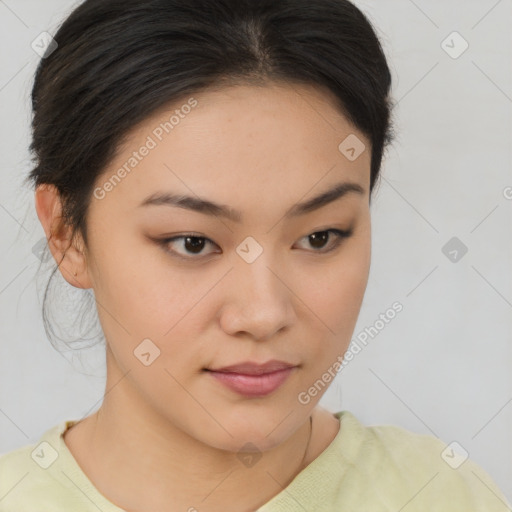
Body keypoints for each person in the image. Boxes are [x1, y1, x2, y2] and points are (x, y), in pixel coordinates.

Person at [0, 0, 510, 511]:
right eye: (193, 242)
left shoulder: (446, 496)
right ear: (67, 235)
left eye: (320, 237)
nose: (264, 314)